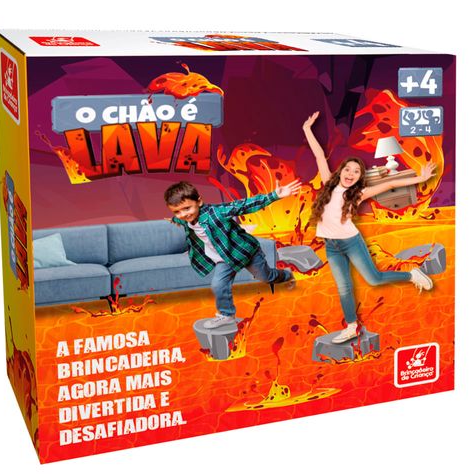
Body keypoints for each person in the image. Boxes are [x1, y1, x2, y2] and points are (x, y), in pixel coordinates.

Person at [302, 111, 436, 344]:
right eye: (348, 169)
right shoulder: (328, 184)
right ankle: (352, 327)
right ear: (340, 171)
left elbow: (391, 183)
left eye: (356, 172)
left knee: (373, 279)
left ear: (359, 178)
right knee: (344, 287)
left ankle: (411, 274)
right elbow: (319, 155)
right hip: (331, 246)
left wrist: (420, 179)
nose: (351, 174)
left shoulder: (358, 194)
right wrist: (307, 129)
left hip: (351, 243)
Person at [164, 180, 301, 329]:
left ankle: (287, 274)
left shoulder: (217, 212)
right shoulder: (187, 220)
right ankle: (226, 315)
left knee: (267, 277)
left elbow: (242, 205)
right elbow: (183, 220)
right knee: (218, 285)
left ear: (199, 201)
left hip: (245, 252)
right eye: (177, 212)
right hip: (224, 259)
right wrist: (175, 220)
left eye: (187, 208)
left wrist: (273, 196)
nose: (183, 214)